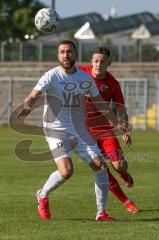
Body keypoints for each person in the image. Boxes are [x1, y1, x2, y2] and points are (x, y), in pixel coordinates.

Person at [17, 40, 130, 221]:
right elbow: (33, 96)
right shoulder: (51, 76)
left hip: (79, 130)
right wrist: (27, 107)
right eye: (62, 52)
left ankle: (101, 212)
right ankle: (43, 194)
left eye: (69, 52)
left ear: (75, 54)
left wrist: (117, 123)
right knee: (66, 171)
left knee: (100, 166)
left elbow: (101, 103)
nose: (65, 55)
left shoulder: (85, 79)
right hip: (55, 130)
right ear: (58, 55)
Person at [80, 46, 138, 213]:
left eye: (102, 62)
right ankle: (126, 201)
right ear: (91, 61)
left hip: (105, 131)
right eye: (96, 61)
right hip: (83, 133)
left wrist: (125, 130)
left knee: (119, 165)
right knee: (102, 168)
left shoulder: (112, 84)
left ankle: (124, 174)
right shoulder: (80, 74)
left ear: (109, 63)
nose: (98, 65)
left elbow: (120, 109)